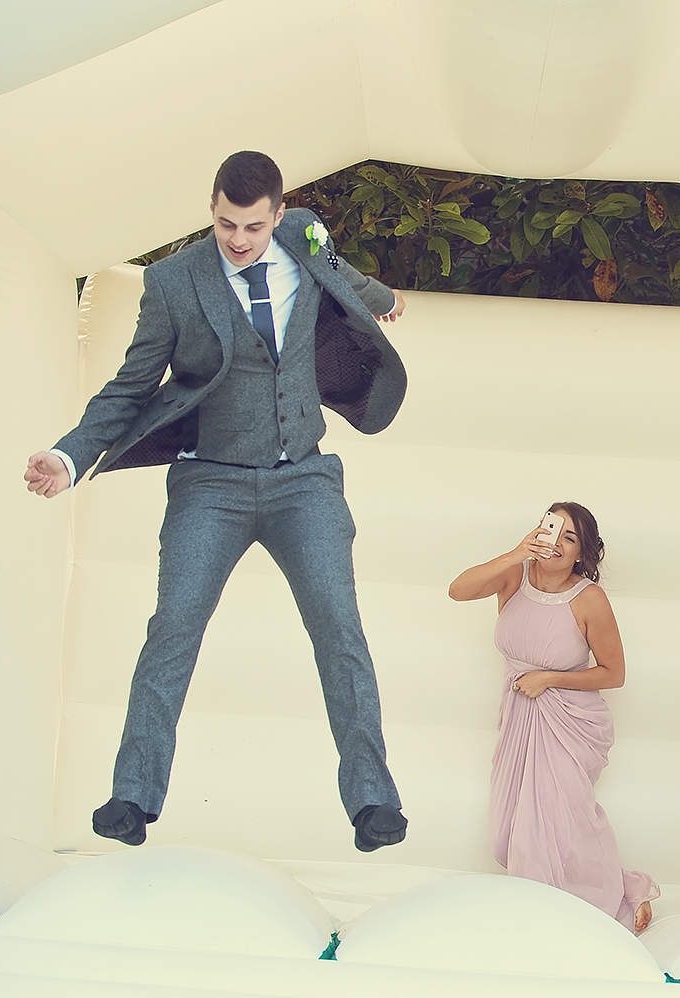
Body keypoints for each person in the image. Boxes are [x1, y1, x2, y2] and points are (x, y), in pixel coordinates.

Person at [22, 151, 411, 852]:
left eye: (253, 226)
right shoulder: (172, 285)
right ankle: (133, 797)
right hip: (212, 483)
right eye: (227, 224)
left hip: (305, 481)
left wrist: (382, 300)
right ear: (212, 210)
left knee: (341, 633)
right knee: (172, 629)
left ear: (279, 215)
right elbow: (129, 387)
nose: (239, 239)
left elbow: (339, 273)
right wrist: (69, 455)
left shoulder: (306, 235)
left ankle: (373, 802)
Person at [448, 503, 658, 933]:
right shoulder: (514, 576)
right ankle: (602, 890)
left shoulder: (589, 599)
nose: (558, 543)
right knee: (508, 828)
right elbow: (458, 590)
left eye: (570, 537)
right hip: (519, 714)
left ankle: (562, 914)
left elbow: (613, 674)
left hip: (568, 721)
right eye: (552, 530)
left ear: (582, 552)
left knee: (559, 822)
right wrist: (515, 553)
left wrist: (548, 678)